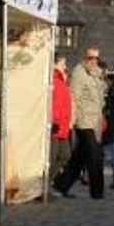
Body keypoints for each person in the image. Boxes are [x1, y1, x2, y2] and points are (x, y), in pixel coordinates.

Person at [54, 47, 108, 199]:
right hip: (84, 121)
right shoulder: (79, 73)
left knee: (80, 156)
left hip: (94, 120)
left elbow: (100, 99)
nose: (94, 61)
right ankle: (97, 191)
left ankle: (62, 184)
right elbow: (74, 97)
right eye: (90, 58)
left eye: (96, 58)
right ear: (84, 57)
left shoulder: (97, 74)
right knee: (95, 156)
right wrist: (71, 121)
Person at [48, 53, 73, 198]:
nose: (65, 66)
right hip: (55, 124)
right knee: (51, 157)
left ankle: (48, 182)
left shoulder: (62, 80)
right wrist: (53, 120)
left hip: (63, 125)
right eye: (62, 64)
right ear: (55, 64)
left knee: (65, 155)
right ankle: (43, 185)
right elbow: (53, 102)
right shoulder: (52, 79)